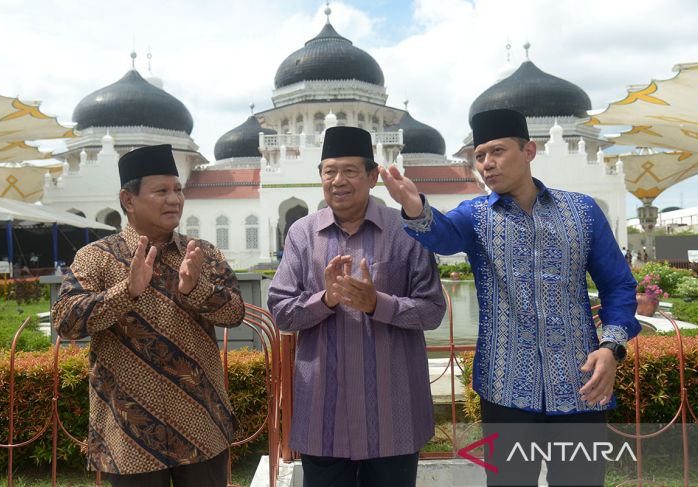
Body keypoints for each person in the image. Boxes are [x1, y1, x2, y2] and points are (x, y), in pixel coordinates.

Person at [380, 108, 639, 487]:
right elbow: (444, 235)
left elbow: (618, 285)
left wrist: (611, 347)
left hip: (580, 384)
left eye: (497, 151)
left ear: (529, 150)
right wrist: (415, 207)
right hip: (505, 387)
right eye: (479, 156)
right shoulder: (476, 216)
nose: (486, 164)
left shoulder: (581, 212)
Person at [52, 144, 245, 487]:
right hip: (130, 435)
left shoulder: (201, 254)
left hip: (200, 424)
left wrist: (194, 289)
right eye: (161, 191)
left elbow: (235, 313)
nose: (174, 200)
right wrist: (126, 291)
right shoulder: (96, 258)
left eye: (178, 190)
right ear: (129, 200)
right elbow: (65, 321)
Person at [267, 126, 446, 487]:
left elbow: (432, 309)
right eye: (329, 171)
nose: (338, 180)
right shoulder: (302, 234)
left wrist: (377, 304)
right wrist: (326, 299)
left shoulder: (405, 231)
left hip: (392, 414)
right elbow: (282, 311)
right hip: (324, 415)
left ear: (373, 176)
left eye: (349, 171)